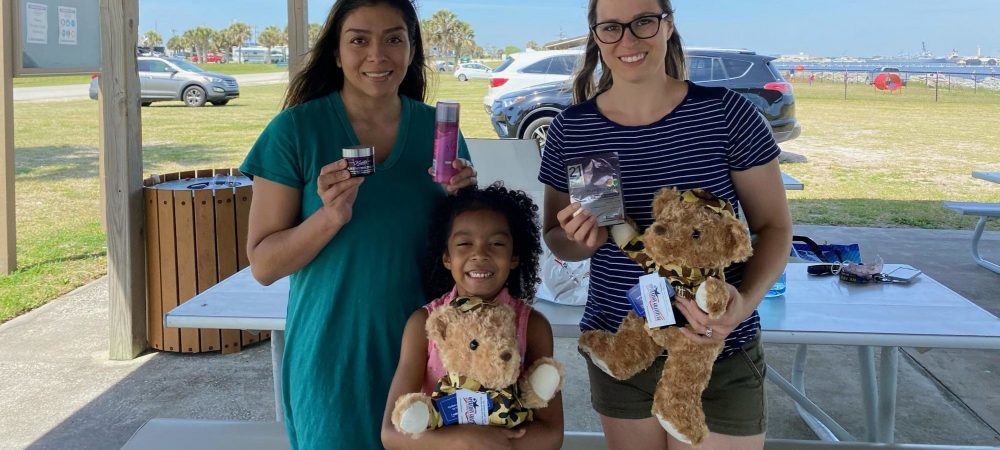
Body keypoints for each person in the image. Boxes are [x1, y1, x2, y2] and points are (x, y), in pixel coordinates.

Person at [536, 0, 793, 449]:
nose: (628, 39)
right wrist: (583, 239)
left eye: (644, 22)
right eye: (611, 27)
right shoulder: (574, 129)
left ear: (668, 25)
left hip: (717, 348)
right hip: (621, 348)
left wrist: (743, 305)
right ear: (595, 35)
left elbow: (774, 228)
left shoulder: (726, 115)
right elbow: (559, 240)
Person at [239, 0, 476, 448]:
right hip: (333, 360)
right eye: (359, 40)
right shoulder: (295, 131)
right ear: (336, 52)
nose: (377, 55)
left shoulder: (438, 130)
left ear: (411, 49)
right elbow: (264, 266)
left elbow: (464, 250)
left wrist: (465, 202)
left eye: (393, 39)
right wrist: (329, 218)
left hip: (432, 355)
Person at [381, 184, 564, 450]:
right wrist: (460, 440)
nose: (480, 254)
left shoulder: (532, 327)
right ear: (446, 257)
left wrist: (498, 444)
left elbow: (551, 433)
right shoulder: (424, 325)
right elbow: (391, 433)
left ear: (514, 257)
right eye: (464, 243)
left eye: (497, 243)